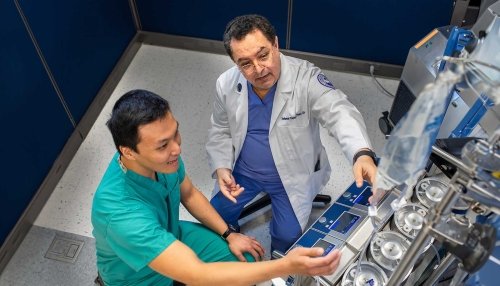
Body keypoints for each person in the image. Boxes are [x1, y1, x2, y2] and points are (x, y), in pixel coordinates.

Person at [91, 89, 342, 286]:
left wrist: (229, 234)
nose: (177, 148)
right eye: (163, 145)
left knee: (242, 263)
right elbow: (198, 274)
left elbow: (188, 193)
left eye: (175, 134)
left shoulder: (161, 160)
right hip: (139, 279)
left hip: (171, 234)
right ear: (128, 152)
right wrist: (286, 266)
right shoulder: (120, 214)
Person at [206, 14, 378, 254]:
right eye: (245, 63)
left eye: (263, 55)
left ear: (276, 44)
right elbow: (220, 129)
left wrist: (362, 153)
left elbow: (339, 112)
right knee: (212, 220)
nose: (258, 69)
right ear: (236, 63)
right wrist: (222, 167)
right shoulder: (226, 84)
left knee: (287, 239)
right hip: (242, 173)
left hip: (290, 176)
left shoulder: (305, 78)